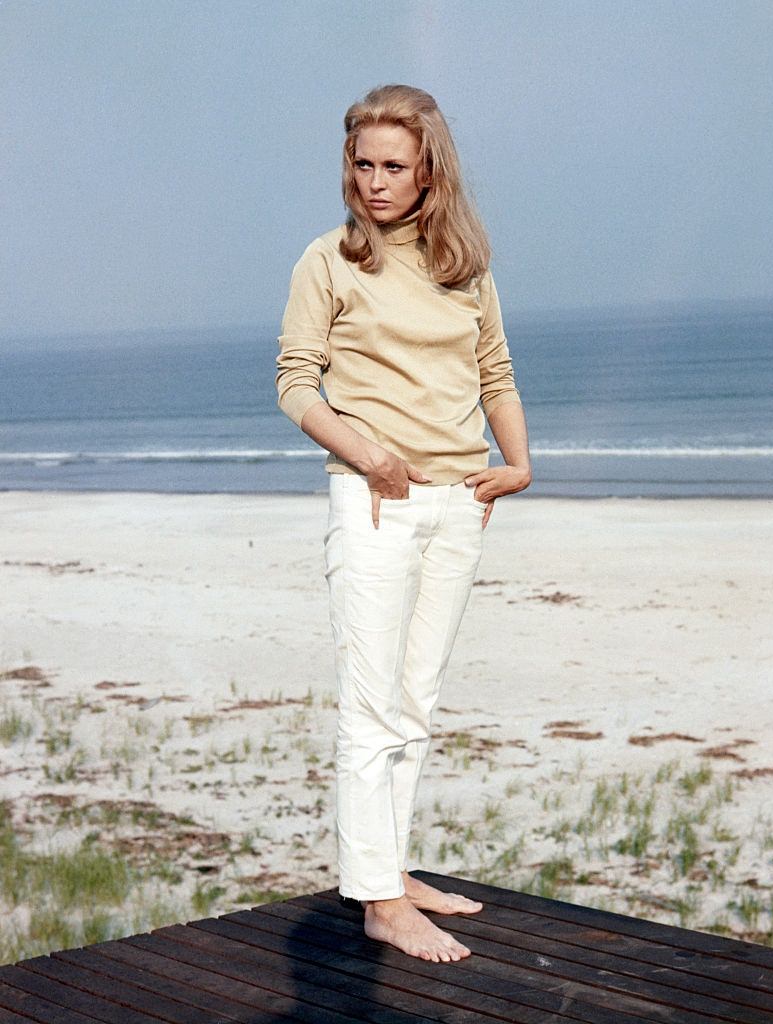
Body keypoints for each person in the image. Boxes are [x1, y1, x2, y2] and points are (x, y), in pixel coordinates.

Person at [276, 84, 532, 963]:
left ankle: (392, 869)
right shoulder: (329, 261)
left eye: (394, 166)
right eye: (362, 164)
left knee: (415, 703)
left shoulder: (465, 267)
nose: (374, 182)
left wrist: (518, 464)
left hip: (460, 506)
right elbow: (295, 387)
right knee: (371, 707)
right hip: (376, 501)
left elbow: (494, 373)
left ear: (430, 174)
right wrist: (372, 458)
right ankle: (379, 900)